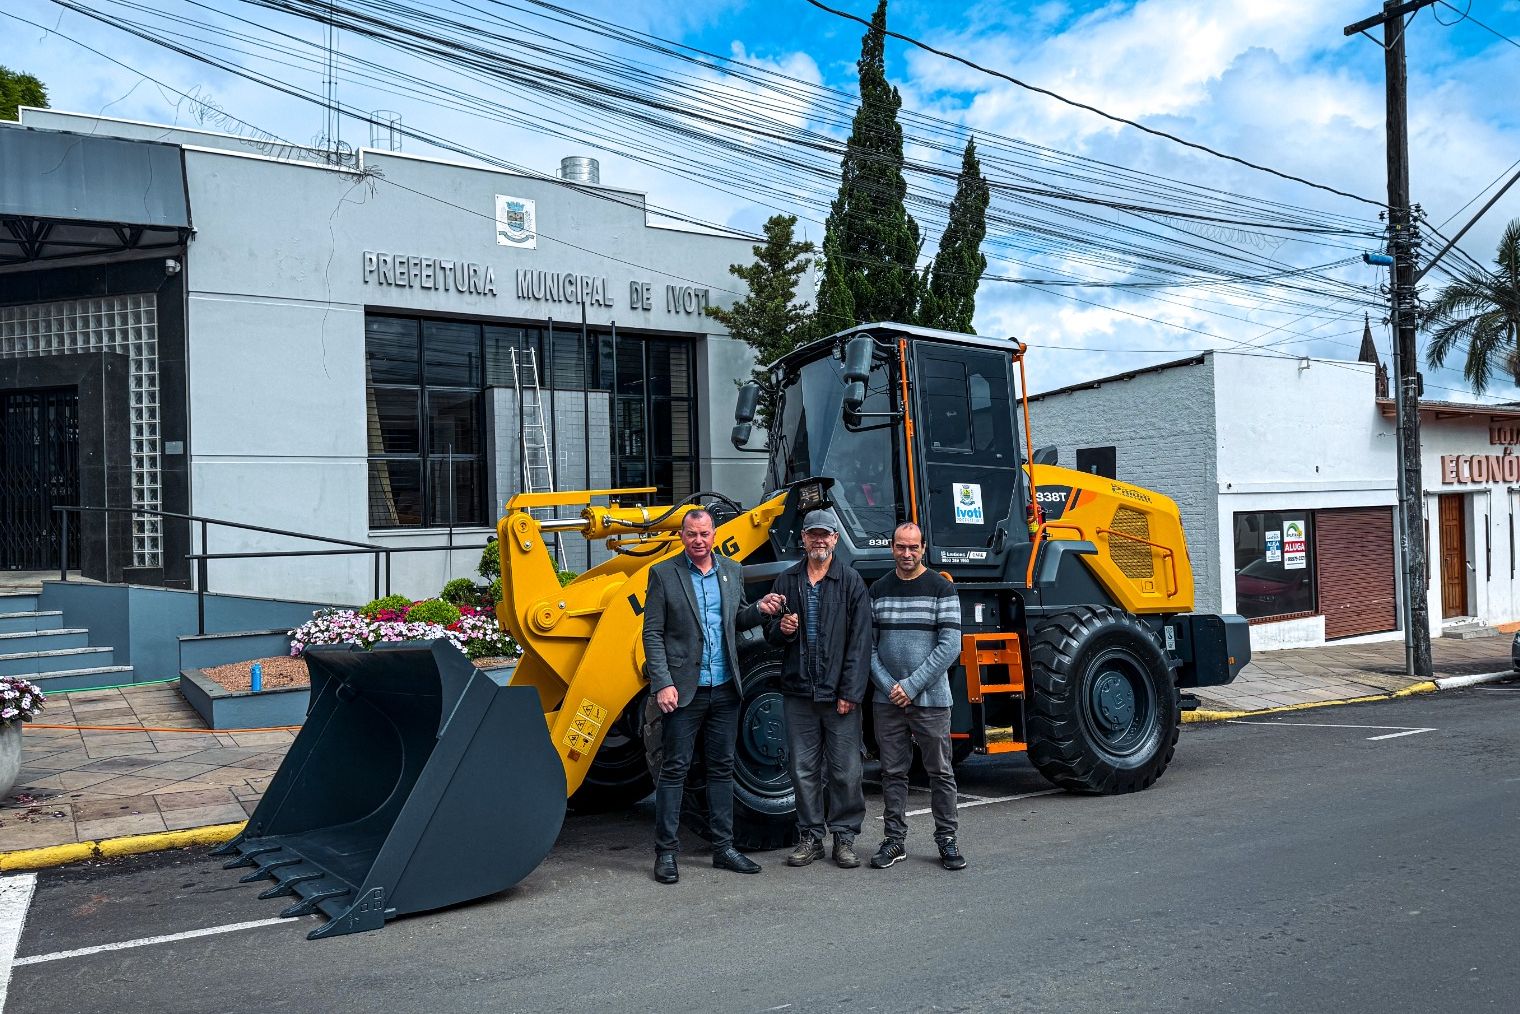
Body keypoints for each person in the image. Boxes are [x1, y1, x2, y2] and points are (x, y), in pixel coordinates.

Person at [643, 508, 786, 885]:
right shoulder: (663, 574)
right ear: (682, 536)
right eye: (691, 534)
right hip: (684, 691)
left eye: (704, 533)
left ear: (714, 534)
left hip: (725, 686)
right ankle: (666, 854)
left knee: (721, 769)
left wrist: (759, 609)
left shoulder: (731, 570)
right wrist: (663, 682)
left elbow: (735, 620)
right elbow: (653, 634)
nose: (698, 540)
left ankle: (724, 848)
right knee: (675, 770)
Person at [766, 508, 873, 869]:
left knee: (845, 770)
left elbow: (861, 644)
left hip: (838, 695)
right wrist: (781, 630)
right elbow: (768, 633)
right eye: (813, 534)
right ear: (804, 539)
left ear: (835, 539)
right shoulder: (787, 581)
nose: (819, 540)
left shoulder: (851, 582)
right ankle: (810, 837)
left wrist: (850, 693)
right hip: (799, 694)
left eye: (825, 534)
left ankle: (844, 838)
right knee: (803, 770)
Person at [868, 522, 967, 871]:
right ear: (891, 548)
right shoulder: (879, 589)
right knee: (893, 773)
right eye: (900, 547)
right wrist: (889, 687)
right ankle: (894, 842)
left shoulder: (942, 589)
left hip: (931, 700)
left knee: (940, 772)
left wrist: (910, 687)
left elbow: (950, 646)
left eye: (913, 547)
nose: (906, 554)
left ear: (924, 547)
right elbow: (869, 649)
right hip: (888, 701)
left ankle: (947, 840)